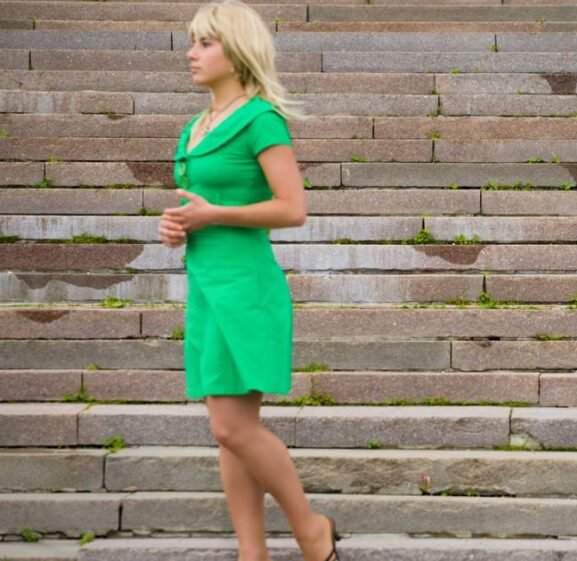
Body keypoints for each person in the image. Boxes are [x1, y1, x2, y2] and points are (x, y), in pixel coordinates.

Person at [158, 1, 340, 560]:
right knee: (229, 429)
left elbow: (292, 208)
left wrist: (214, 215)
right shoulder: (195, 127)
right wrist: (178, 226)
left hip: (246, 289)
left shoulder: (261, 119)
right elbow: (202, 207)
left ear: (236, 52)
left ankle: (311, 530)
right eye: (192, 42)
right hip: (207, 287)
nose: (191, 53)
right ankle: (251, 553)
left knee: (233, 429)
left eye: (205, 43)